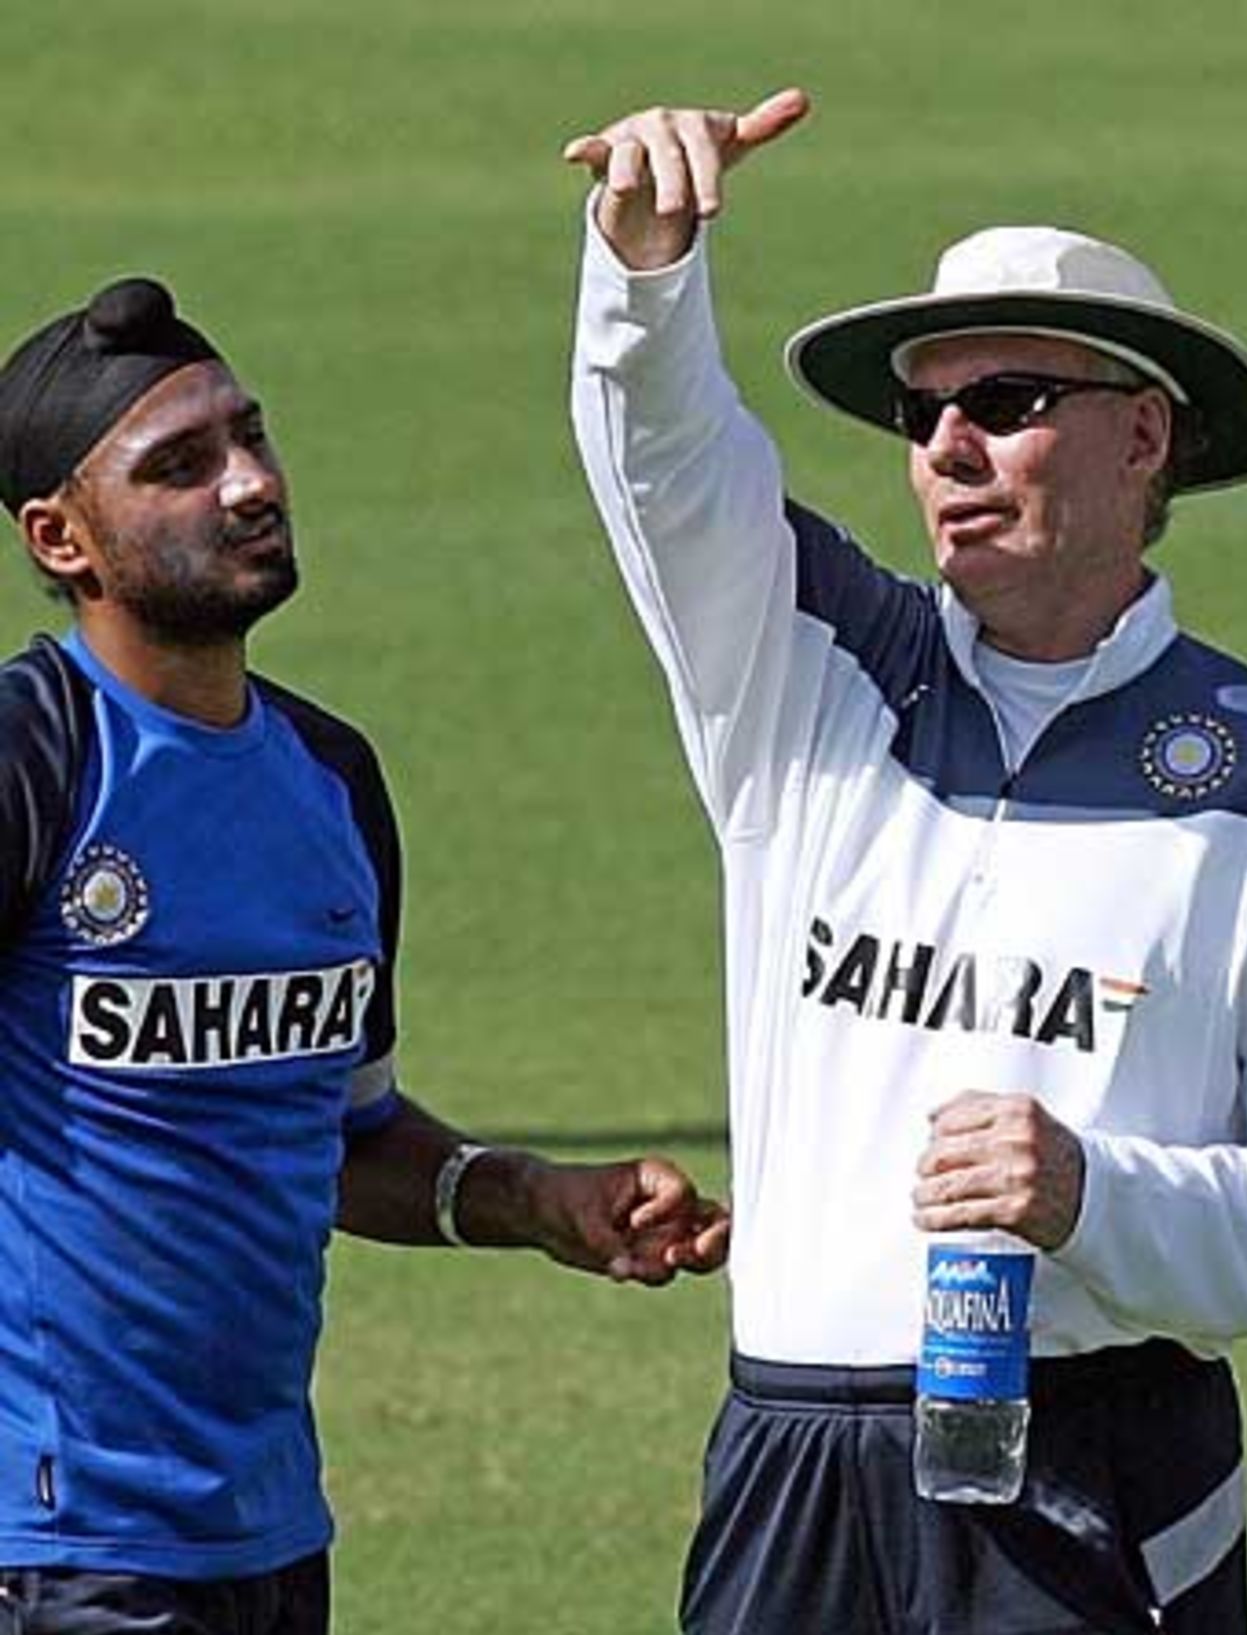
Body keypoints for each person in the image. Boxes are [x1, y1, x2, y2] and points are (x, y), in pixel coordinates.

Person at [564, 87, 1247, 1634]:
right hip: (796, 1459)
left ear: (1143, 432)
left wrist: (1096, 1194)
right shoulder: (811, 669)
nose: (950, 444)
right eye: (923, 413)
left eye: (1010, 398)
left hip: (1103, 1461)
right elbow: (671, 474)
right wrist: (640, 271)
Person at [0, 274, 729, 1635]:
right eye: (182, 464)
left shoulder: (330, 778)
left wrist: (530, 1200)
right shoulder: (34, 760)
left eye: (250, 435)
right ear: (63, 538)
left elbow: (342, 1137)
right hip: (51, 1547)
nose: (249, 482)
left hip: (268, 1537)